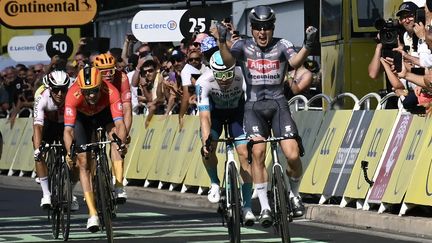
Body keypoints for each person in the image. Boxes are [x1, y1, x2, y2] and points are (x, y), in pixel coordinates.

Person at [213, 5, 317, 227]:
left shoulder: (282, 44)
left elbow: (294, 63)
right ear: (251, 28)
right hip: (253, 107)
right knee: (258, 152)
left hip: (279, 105)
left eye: (267, 28)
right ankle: (265, 206)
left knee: (292, 154)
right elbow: (229, 61)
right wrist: (222, 42)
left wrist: (308, 45)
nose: (262, 33)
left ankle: (294, 195)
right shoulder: (242, 45)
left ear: (273, 27)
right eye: (258, 28)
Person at [63, 66, 127, 232]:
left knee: (115, 137)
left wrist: (121, 142)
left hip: (103, 114)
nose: (91, 95)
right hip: (82, 120)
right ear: (81, 89)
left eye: (94, 91)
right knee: (83, 161)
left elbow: (120, 124)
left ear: (101, 86)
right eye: (87, 91)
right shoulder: (73, 94)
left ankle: (119, 185)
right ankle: (92, 214)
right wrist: (71, 151)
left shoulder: (111, 91)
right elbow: (68, 131)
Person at [197, 51, 255, 226]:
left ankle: (247, 207)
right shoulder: (203, 82)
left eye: (228, 74)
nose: (224, 79)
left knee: (244, 154)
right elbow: (204, 117)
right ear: (212, 71)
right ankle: (214, 182)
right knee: (207, 149)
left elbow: (252, 106)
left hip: (238, 114)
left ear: (234, 69)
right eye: (220, 75)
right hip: (215, 116)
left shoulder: (242, 76)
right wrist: (207, 140)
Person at [32, 70, 79, 211]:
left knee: (77, 158)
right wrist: (37, 149)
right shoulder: (42, 97)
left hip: (67, 125)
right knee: (39, 154)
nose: (60, 94)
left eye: (63, 90)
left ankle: (69, 193)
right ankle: (46, 194)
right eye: (56, 90)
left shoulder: (73, 96)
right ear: (50, 89)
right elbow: (37, 127)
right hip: (48, 125)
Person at [93, 53, 132, 198]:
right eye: (104, 72)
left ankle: (119, 184)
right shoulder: (90, 77)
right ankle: (92, 181)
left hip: (112, 112)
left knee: (116, 142)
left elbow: (127, 109)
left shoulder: (122, 77)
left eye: (111, 70)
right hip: (92, 112)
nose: (109, 74)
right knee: (89, 147)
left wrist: (124, 134)